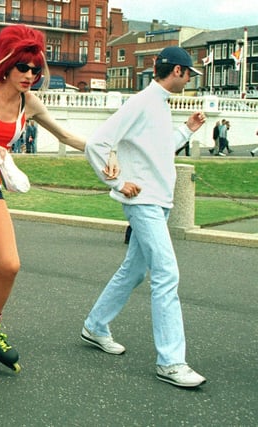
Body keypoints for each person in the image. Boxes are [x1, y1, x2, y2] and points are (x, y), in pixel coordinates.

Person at [0, 24, 87, 372]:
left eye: (36, 69)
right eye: (23, 67)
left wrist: (106, 150)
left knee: (9, 265)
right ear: (7, 65)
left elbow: (66, 136)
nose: (30, 75)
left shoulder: (30, 101)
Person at [81, 46, 207, 389]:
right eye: (188, 75)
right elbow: (96, 144)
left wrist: (187, 130)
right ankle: (171, 361)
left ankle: (95, 325)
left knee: (135, 271)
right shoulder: (142, 102)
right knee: (166, 273)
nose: (188, 81)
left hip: (156, 200)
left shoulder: (158, 104)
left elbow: (158, 149)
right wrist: (118, 183)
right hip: (144, 202)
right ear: (178, 71)